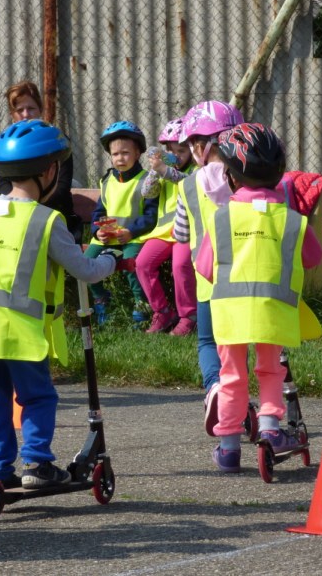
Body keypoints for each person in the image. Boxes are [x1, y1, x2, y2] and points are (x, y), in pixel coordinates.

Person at [0, 119, 119, 489]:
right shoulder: (47, 220)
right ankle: (37, 463)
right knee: (38, 396)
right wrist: (110, 259)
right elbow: (84, 269)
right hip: (19, 328)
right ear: (48, 172)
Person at [194, 123, 322, 471]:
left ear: (232, 178)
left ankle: (228, 448)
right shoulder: (292, 220)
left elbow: (204, 268)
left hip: (229, 313)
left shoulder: (221, 219)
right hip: (274, 311)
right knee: (270, 371)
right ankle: (270, 429)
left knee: (231, 375)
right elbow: (314, 258)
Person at [171, 100, 243, 433]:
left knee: (208, 343)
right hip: (245, 278)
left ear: (202, 146)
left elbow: (181, 234)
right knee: (241, 345)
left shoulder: (187, 185)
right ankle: (247, 398)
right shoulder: (244, 179)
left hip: (208, 282)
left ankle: (215, 386)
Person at [83, 120, 158, 325]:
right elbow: (99, 211)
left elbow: (150, 215)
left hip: (134, 237)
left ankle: (140, 305)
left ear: (138, 153)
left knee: (132, 265)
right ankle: (101, 298)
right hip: (108, 237)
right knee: (84, 263)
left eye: (125, 153)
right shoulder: (107, 180)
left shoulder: (147, 180)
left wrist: (131, 232)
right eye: (115, 154)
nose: (120, 158)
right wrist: (97, 232)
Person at [136, 117, 198, 335]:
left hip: (186, 232)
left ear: (192, 150)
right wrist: (155, 171)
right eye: (171, 151)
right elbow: (147, 193)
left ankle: (189, 316)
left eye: (181, 151)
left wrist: (164, 170)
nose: (176, 156)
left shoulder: (196, 170)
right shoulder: (164, 170)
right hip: (163, 232)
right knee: (143, 263)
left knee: (180, 265)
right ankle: (162, 312)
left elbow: (186, 182)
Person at [4, 80, 82, 241]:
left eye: (31, 108)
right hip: (18, 219)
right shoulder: (7, 146)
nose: (26, 114)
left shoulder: (58, 142)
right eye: (20, 110)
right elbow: (3, 186)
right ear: (12, 114)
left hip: (55, 219)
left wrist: (32, 208)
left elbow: (61, 188)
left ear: (40, 110)